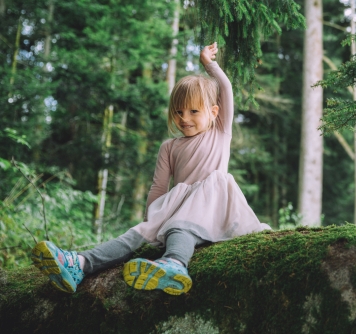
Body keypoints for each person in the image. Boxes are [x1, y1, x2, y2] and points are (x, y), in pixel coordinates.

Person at [30, 42, 269, 295]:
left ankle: (175, 264)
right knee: (134, 235)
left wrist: (209, 64)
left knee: (180, 226)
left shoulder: (220, 132)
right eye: (178, 111)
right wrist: (149, 222)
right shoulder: (169, 147)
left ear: (214, 112)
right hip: (177, 204)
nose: (184, 118)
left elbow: (226, 88)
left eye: (193, 111)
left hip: (210, 206)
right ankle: (79, 264)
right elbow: (159, 187)